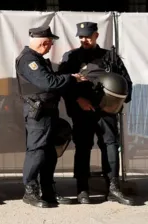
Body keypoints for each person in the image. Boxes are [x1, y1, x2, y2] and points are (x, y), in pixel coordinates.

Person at [57, 21, 134, 205]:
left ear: (96, 36)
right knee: (83, 148)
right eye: (81, 36)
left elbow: (126, 84)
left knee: (110, 146)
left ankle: (113, 188)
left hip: (106, 112)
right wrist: (78, 100)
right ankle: (82, 189)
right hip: (82, 111)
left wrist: (116, 103)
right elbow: (62, 84)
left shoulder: (110, 57)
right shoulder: (71, 57)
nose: (84, 39)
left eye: (88, 36)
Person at [15, 25, 88, 208]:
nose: (50, 48)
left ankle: (47, 191)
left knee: (49, 153)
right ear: (43, 42)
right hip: (38, 113)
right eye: (49, 44)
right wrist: (72, 78)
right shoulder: (28, 60)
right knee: (37, 151)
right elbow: (47, 83)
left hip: (48, 111)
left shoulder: (39, 59)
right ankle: (30, 191)